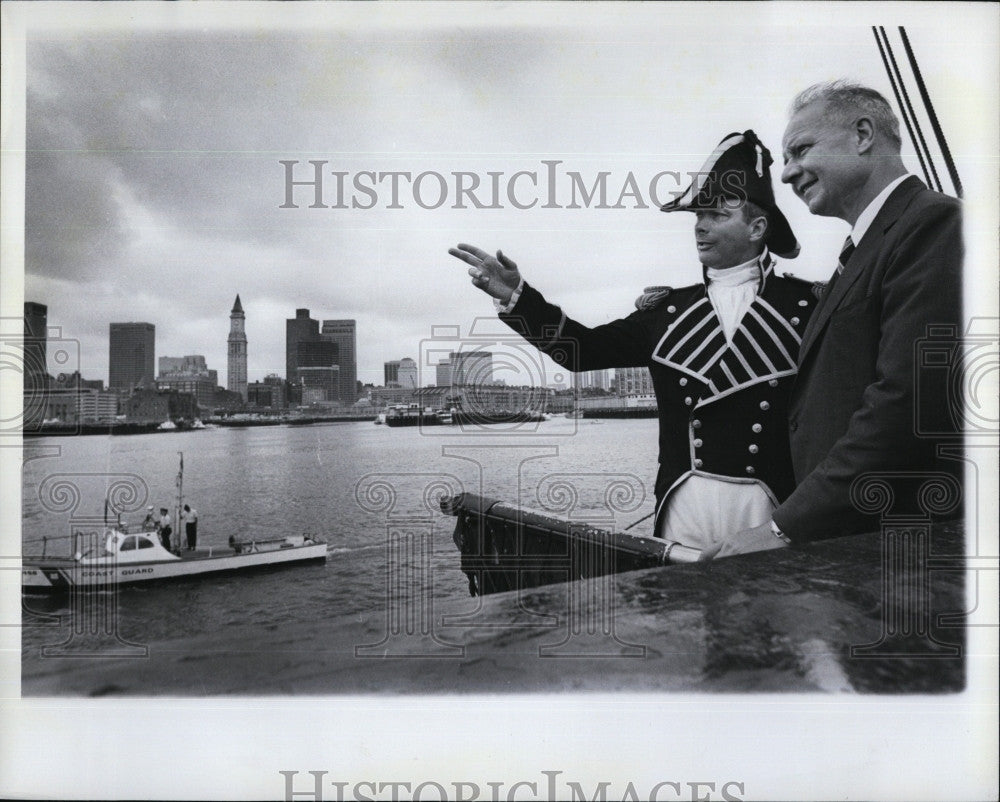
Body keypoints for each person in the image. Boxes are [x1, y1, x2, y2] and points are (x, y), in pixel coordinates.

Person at [450, 131, 820, 553]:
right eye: (697, 216)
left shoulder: (809, 306)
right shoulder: (665, 313)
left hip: (771, 512)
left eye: (716, 214)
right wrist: (518, 298)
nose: (700, 225)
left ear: (757, 227)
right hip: (682, 511)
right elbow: (581, 349)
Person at [704, 81, 963, 559]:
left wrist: (783, 528)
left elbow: (905, 407)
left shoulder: (935, 225)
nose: (786, 175)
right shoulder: (866, 250)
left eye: (800, 150)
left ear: (863, 134)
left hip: (901, 550)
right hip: (856, 538)